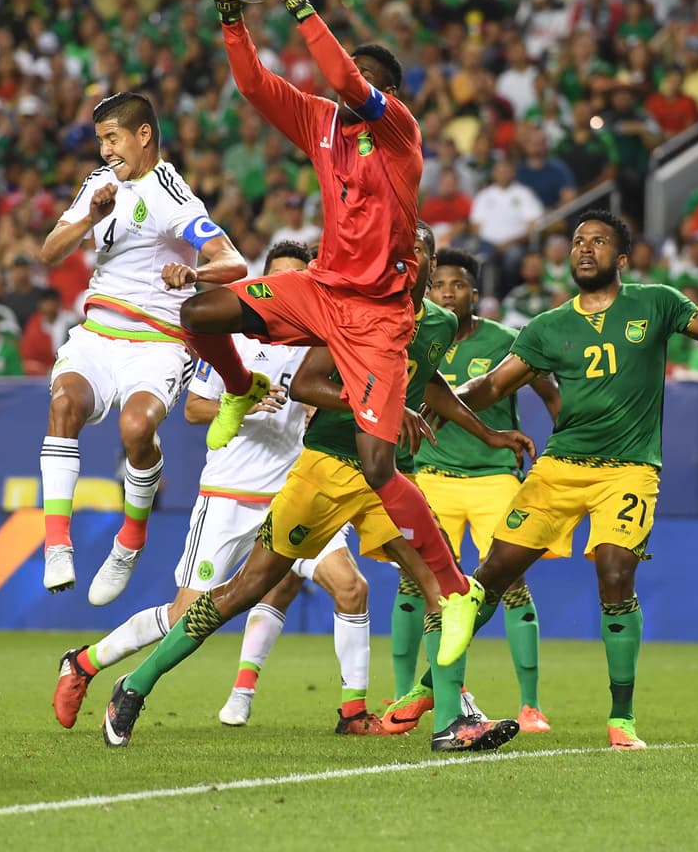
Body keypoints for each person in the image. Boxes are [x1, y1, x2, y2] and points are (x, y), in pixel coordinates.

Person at [99, 223, 533, 751]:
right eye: (398, 248)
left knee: (443, 587)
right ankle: (135, 686)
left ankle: (450, 722)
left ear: (430, 262)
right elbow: (306, 383)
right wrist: (381, 410)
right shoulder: (356, 312)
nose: (406, 258)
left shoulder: (437, 323)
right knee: (244, 591)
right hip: (325, 469)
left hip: (386, 479)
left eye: (417, 250)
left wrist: (486, 432)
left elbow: (428, 381)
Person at [180, 0, 485, 661]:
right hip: (318, 289)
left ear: (380, 94)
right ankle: (235, 386)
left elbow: (347, 80)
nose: (339, 96)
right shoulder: (321, 123)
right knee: (200, 312)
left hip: (378, 316)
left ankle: (456, 589)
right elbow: (255, 86)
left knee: (379, 469)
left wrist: (297, 2)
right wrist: (230, 13)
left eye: (355, 86)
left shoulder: (400, 131)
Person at [53, 242, 379, 733]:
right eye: (281, 278)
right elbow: (194, 410)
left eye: (300, 278)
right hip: (228, 493)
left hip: (293, 491)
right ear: (264, 285)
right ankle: (87, 662)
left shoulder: (320, 342)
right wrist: (244, 401)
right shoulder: (235, 339)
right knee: (189, 614)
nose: (291, 288)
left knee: (351, 588)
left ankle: (353, 713)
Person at [453, 210, 698, 750]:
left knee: (615, 572)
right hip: (562, 468)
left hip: (630, 468)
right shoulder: (547, 327)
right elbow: (492, 386)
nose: (585, 248)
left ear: (623, 258)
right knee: (492, 573)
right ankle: (440, 692)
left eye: (599, 241)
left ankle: (622, 716)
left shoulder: (656, 301)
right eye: (578, 241)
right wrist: (431, 403)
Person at [38, 91, 246, 603]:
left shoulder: (171, 193)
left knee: (136, 429)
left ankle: (129, 542)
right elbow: (49, 252)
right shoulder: (98, 184)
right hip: (97, 333)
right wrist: (90, 216)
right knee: (63, 404)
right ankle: (56, 546)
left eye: (113, 139)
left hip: (156, 341)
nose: (107, 150)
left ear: (143, 135)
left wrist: (193, 272)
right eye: (101, 141)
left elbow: (234, 262)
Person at [381, 249, 561, 736]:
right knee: (414, 582)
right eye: (439, 285)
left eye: (457, 285)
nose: (446, 293)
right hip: (432, 476)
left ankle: (530, 705)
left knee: (510, 583)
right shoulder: (417, 336)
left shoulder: (506, 340)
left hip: (494, 477)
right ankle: (404, 697)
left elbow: (550, 394)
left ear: (474, 293)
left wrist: (563, 443)